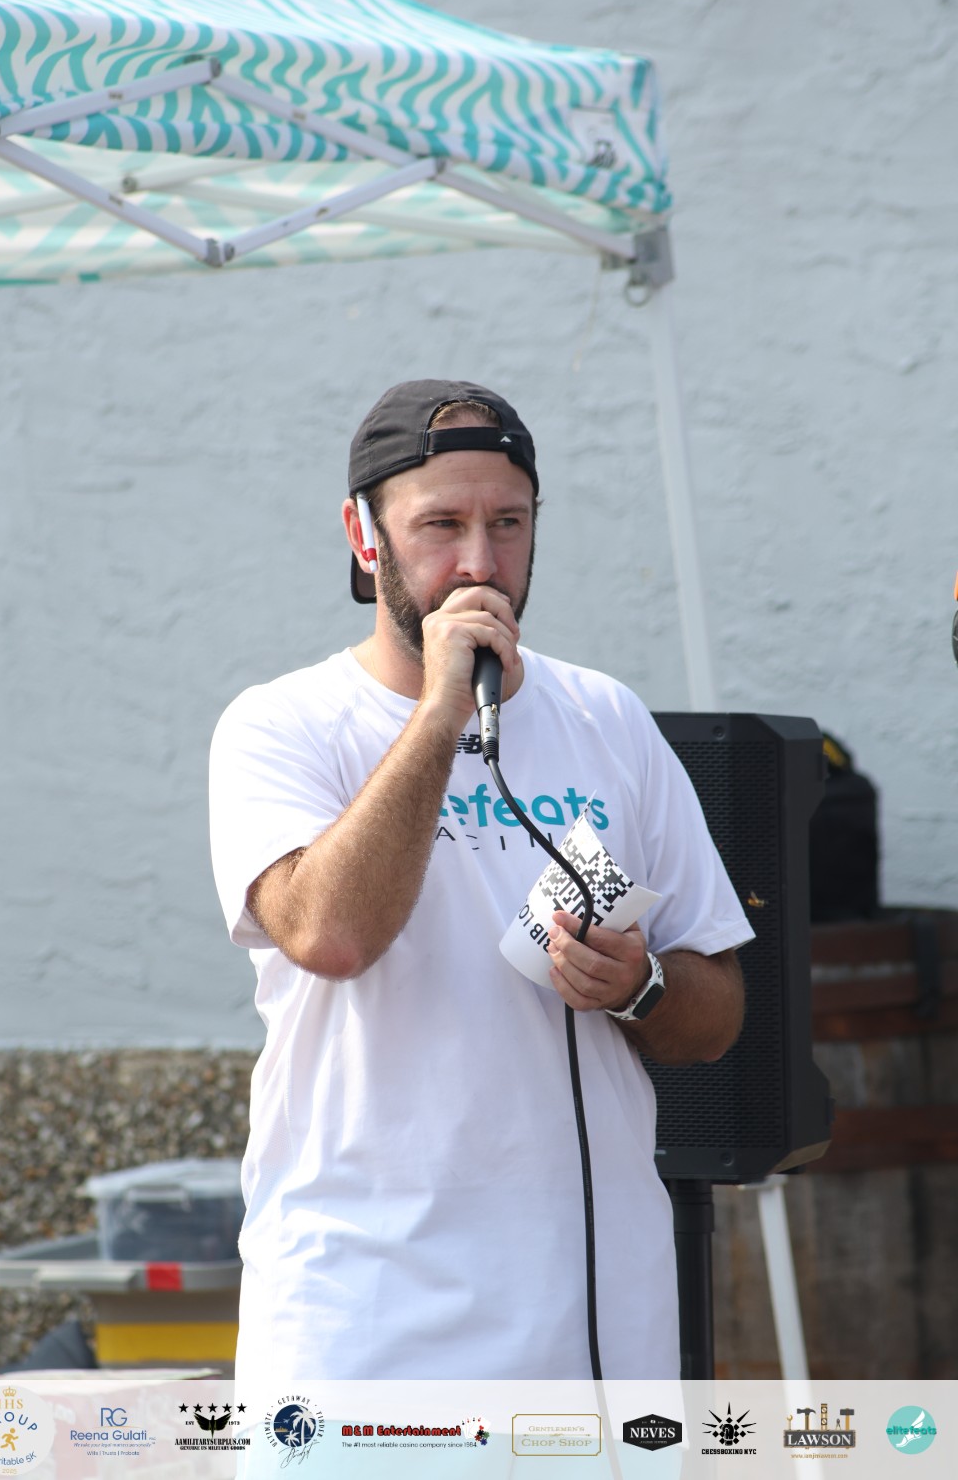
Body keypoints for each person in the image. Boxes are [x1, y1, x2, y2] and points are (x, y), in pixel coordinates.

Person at [209, 378, 753, 1386]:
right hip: (367, 1328)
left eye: (508, 524)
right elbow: (329, 935)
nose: (478, 563)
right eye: (440, 526)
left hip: (595, 1330)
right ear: (363, 536)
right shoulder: (280, 725)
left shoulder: (607, 720)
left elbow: (719, 1009)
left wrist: (639, 986)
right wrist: (440, 712)